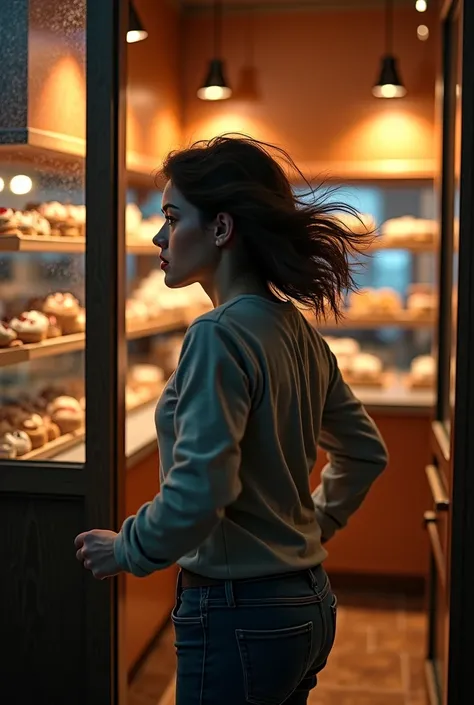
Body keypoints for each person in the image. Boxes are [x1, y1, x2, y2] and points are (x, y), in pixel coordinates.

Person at [75, 135, 388, 705]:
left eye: (172, 217)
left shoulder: (216, 335)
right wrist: (312, 527)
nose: (159, 237)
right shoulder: (297, 331)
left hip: (238, 613)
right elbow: (366, 453)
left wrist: (126, 547)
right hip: (307, 602)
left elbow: (200, 492)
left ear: (221, 229)